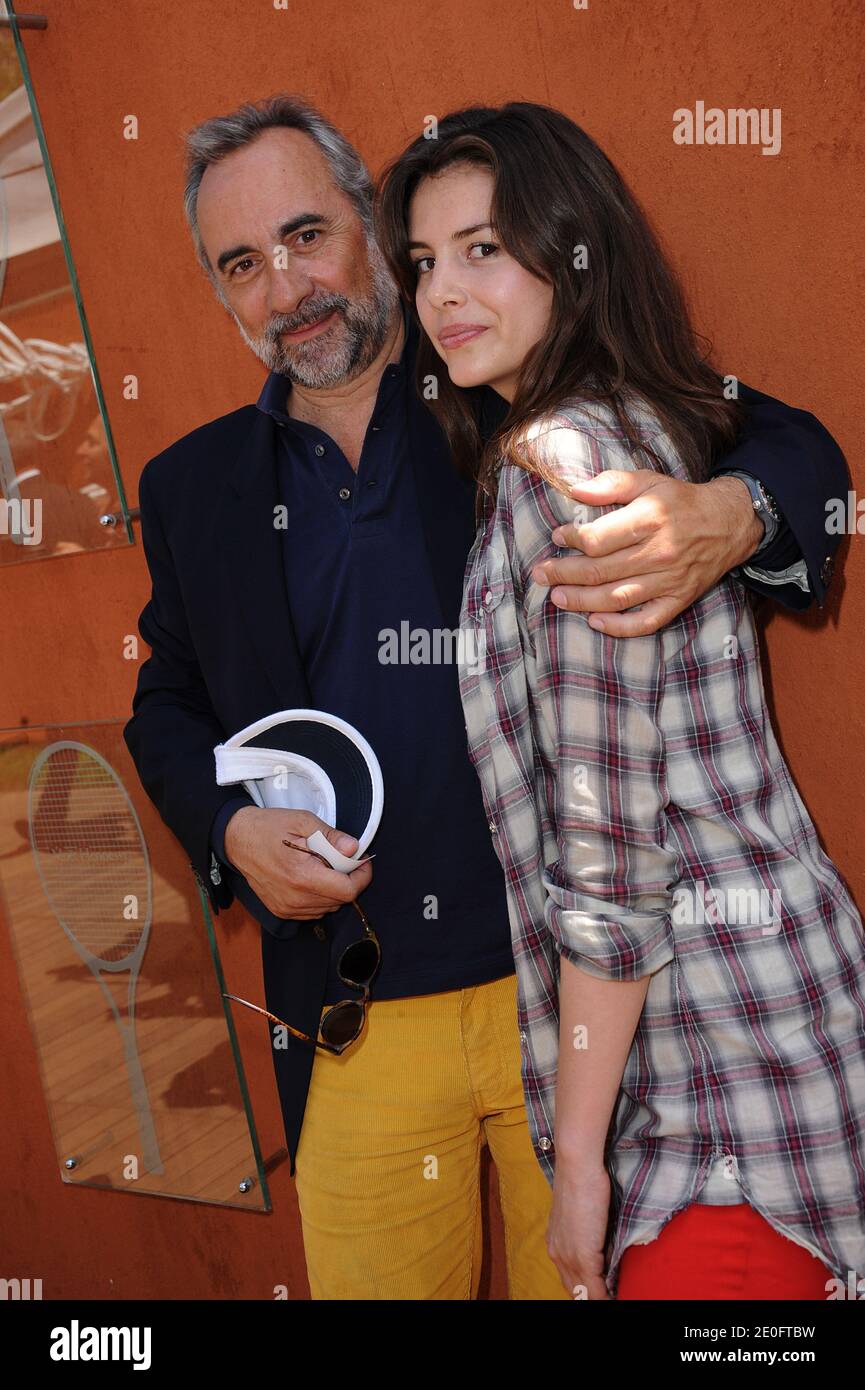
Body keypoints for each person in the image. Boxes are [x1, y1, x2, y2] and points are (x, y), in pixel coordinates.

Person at [125, 94, 850, 1301]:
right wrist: (225, 823)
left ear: (368, 226)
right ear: (220, 293)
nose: (286, 285)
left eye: (308, 236)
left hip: (572, 1006)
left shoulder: (497, 391)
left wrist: (733, 512)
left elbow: (771, 434)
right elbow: (166, 702)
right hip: (353, 1012)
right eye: (242, 265)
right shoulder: (190, 486)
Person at [373, 99, 865, 1300]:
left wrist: (578, 1163)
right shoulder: (602, 433)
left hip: (715, 1095)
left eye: (484, 247)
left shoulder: (567, 472)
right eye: (426, 261)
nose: (443, 292)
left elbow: (607, 864)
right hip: (748, 1042)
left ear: (569, 245)